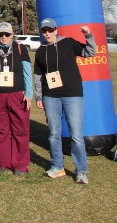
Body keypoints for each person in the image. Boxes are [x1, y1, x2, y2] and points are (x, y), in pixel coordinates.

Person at [34, 17, 95, 184]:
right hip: (50, 97)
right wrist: (39, 96)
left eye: (50, 30)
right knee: (54, 134)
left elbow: (90, 52)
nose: (47, 33)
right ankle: (57, 166)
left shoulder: (68, 43)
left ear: (56, 30)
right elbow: (38, 76)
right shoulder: (40, 51)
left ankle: (81, 171)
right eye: (44, 30)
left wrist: (89, 36)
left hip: (72, 95)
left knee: (76, 135)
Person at [0, 22, 32, 175]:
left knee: (20, 130)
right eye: (0, 34)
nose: (3, 37)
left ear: (12, 34)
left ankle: (20, 165)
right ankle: (4, 162)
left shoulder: (21, 49)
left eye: (6, 34)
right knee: (1, 130)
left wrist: (28, 94)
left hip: (17, 95)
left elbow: (27, 73)